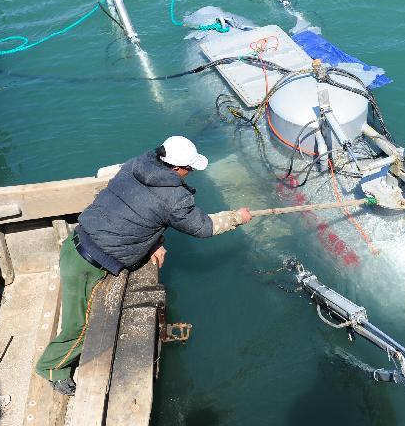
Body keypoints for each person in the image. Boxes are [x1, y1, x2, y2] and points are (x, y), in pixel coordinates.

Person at [35, 135, 252, 395]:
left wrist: (152, 244)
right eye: (189, 168)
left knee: (79, 321)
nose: (190, 172)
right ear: (176, 168)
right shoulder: (175, 199)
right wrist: (237, 217)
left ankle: (54, 362)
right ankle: (51, 367)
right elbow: (204, 227)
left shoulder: (137, 165)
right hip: (87, 266)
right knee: (82, 329)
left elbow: (135, 211)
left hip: (77, 240)